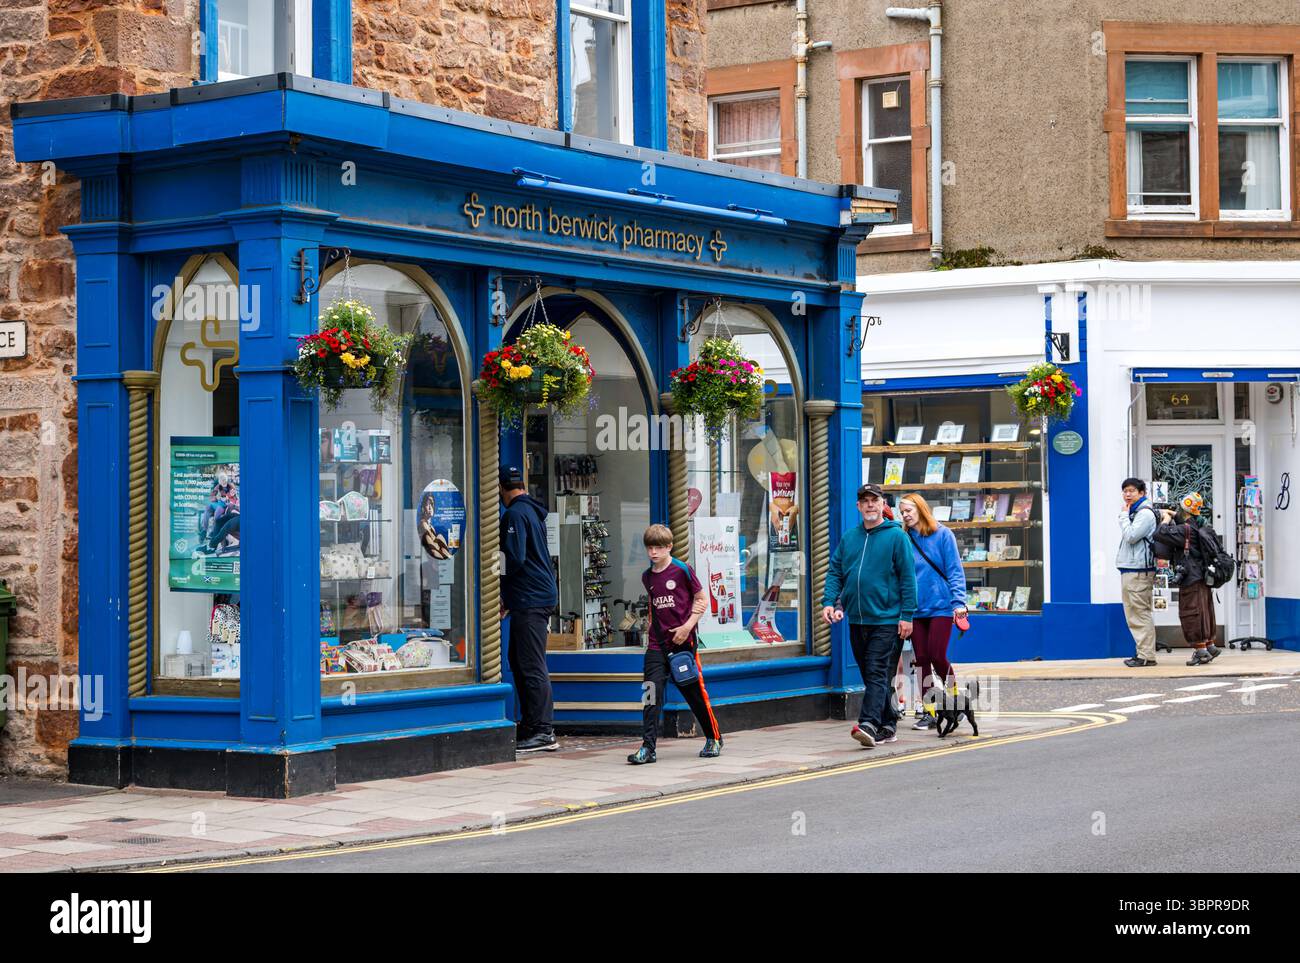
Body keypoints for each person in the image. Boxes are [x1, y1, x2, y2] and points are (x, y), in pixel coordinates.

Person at [821, 483, 917, 748]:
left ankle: (868, 725)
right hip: (857, 619)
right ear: (858, 506)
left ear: (882, 503)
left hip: (887, 620)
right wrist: (830, 602)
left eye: (874, 500)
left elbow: (908, 578)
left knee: (875, 672)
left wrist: (907, 615)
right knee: (873, 675)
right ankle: (888, 724)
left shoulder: (897, 537)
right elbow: (835, 572)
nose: (870, 505)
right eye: (864, 501)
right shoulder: (850, 538)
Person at [628, 525, 721, 765]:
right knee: (650, 694)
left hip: (683, 643)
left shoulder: (682, 570)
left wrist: (687, 626)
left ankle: (714, 738)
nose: (653, 552)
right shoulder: (647, 577)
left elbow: (701, 599)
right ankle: (648, 747)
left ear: (669, 546)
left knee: (694, 694)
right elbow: (653, 609)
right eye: (650, 547)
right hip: (657, 646)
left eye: (658, 547)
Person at [500, 467, 559, 752]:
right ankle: (530, 724)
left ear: (502, 490)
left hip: (531, 599)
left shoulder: (514, 514)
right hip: (533, 596)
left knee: (531, 663)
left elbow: (513, 558)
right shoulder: (533, 511)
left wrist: (495, 581)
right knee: (520, 661)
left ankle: (543, 730)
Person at [897, 493, 966, 730]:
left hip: (941, 606)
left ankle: (956, 701)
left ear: (921, 509)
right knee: (922, 659)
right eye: (902, 511)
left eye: (908, 510)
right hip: (915, 609)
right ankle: (930, 711)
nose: (905, 515)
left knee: (937, 655)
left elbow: (955, 570)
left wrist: (959, 602)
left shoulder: (943, 534)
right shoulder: (903, 538)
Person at [1153, 492, 1223, 667]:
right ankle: (1210, 646)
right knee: (1205, 611)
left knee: (1191, 613)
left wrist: (1165, 519)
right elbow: (1184, 525)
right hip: (1203, 577)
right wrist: (1175, 515)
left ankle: (1200, 651)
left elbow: (1160, 533)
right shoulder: (1200, 527)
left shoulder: (1184, 530)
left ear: (1184, 510)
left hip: (1190, 578)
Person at [1117, 477, 1160, 667]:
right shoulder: (1136, 512)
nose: (1127, 494)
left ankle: (1146, 656)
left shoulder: (1144, 514)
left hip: (1139, 571)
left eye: (1132, 491)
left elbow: (1131, 536)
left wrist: (1123, 516)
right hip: (1132, 569)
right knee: (1133, 613)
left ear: (1142, 493)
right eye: (1125, 491)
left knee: (1139, 613)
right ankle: (1143, 653)